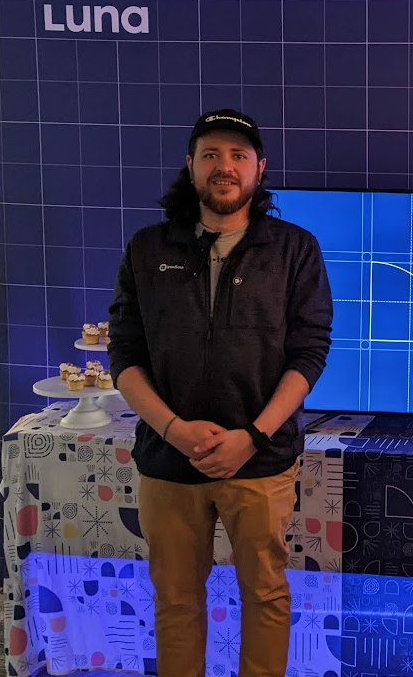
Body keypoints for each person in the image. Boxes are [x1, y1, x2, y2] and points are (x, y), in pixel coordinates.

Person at [108, 109, 333, 677]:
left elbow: (309, 354)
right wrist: (174, 430)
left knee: (266, 594)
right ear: (191, 166)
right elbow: (125, 357)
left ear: (259, 168)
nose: (224, 166)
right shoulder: (146, 248)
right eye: (211, 154)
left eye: (238, 155)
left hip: (260, 459)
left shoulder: (294, 249)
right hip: (168, 460)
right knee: (176, 600)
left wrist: (253, 435)